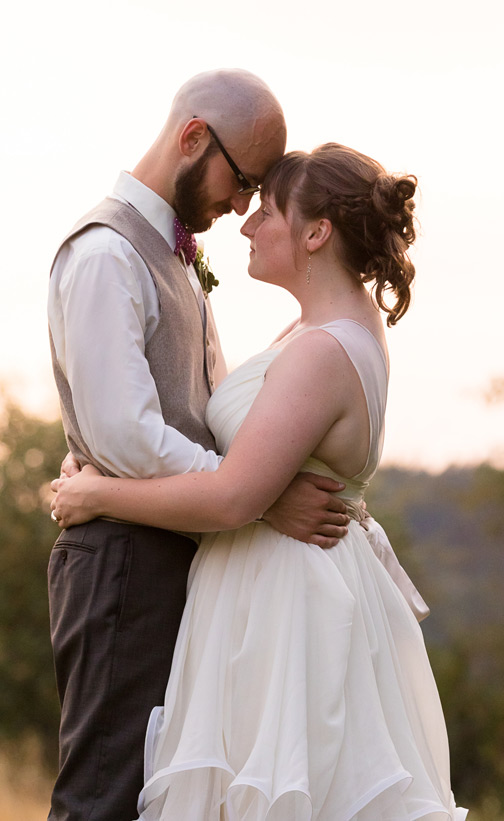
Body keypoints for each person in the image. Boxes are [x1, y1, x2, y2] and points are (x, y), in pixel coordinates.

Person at [51, 142, 465, 818]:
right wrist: (103, 455)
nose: (247, 222)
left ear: (316, 231)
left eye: (267, 210)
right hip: (263, 584)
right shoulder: (317, 327)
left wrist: (93, 493)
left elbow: (234, 494)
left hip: (285, 599)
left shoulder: (324, 350)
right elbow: (245, 462)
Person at [45, 69, 350, 821]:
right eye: (243, 179)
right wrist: (255, 494)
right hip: (121, 563)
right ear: (192, 139)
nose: (245, 205)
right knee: (103, 797)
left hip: (171, 549)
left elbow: (201, 411)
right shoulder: (106, 254)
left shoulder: (173, 257)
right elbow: (125, 435)